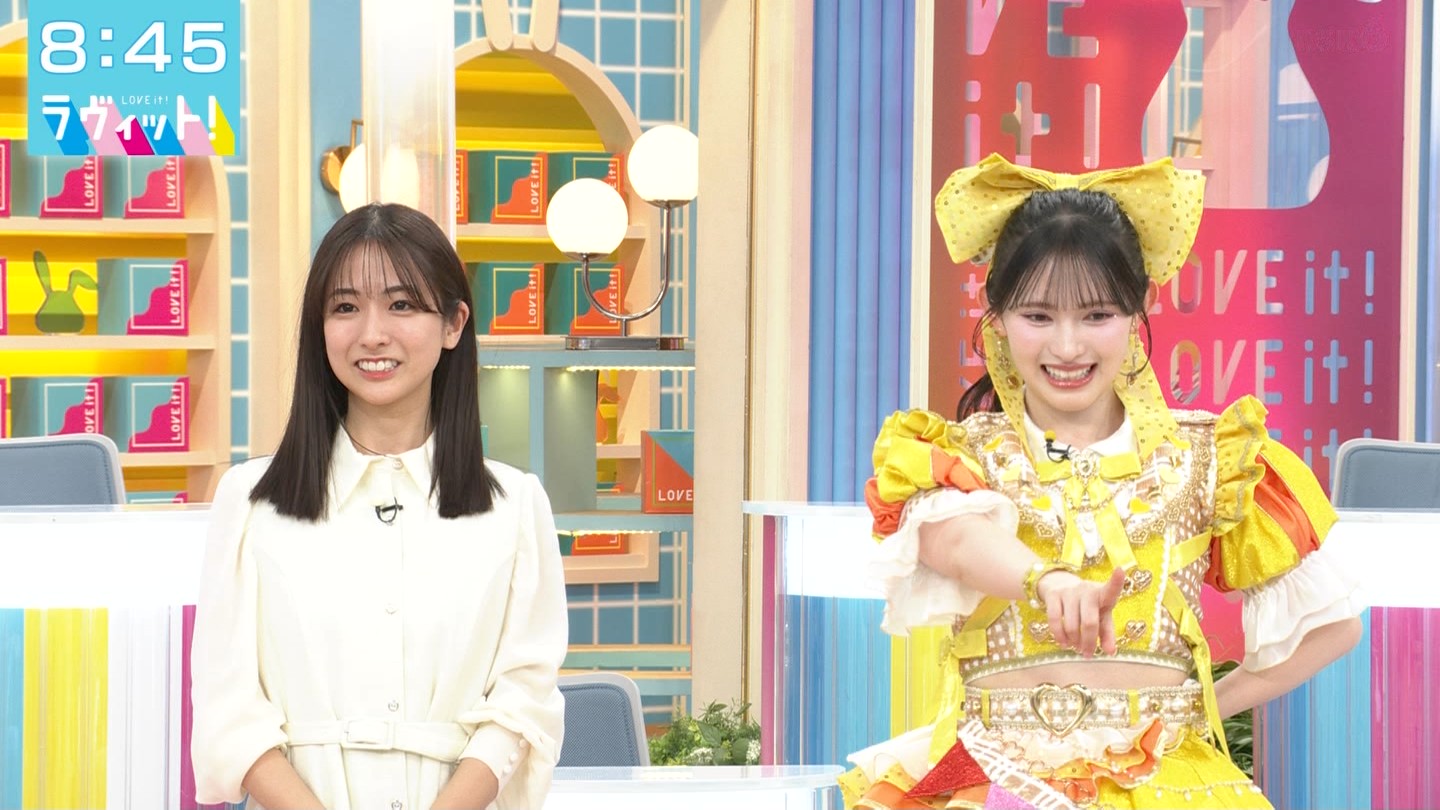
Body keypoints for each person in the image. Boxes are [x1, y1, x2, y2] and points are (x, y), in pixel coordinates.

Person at [839, 155, 1364, 810]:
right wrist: (1046, 582)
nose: (1067, 347)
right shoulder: (957, 454)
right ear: (996, 315)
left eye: (1096, 315)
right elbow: (956, 540)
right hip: (994, 780)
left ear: (1140, 307)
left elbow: (1332, 628)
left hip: (1166, 786)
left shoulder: (1211, 455)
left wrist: (1201, 708)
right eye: (1038, 316)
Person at [190, 203, 567, 810]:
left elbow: (523, 704)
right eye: (345, 307)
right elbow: (227, 708)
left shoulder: (516, 506)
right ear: (320, 327)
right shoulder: (250, 500)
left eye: (402, 305)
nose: (372, 334)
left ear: (453, 324)